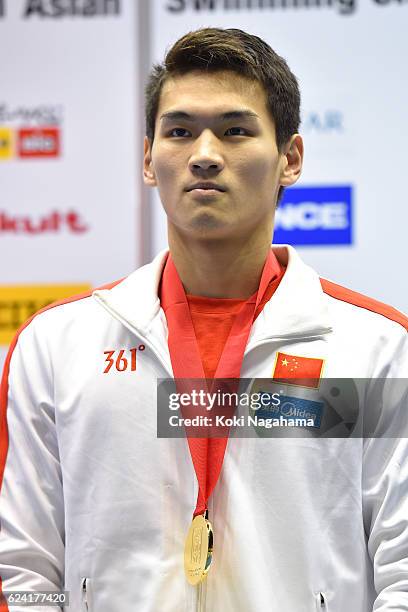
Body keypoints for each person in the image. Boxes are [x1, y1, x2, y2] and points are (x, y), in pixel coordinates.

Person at [0, 27, 407, 612]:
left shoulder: (374, 347)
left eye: (236, 130)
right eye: (180, 131)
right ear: (148, 159)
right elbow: (24, 565)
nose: (205, 154)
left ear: (290, 158)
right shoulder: (58, 345)